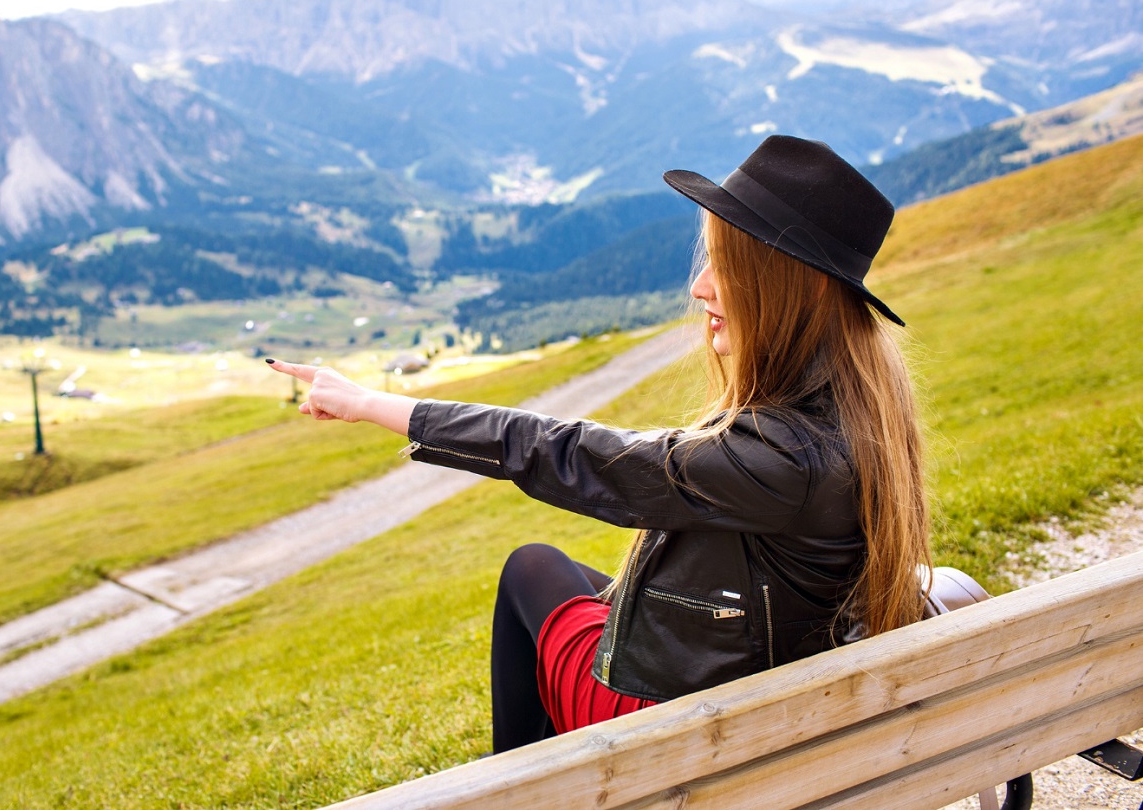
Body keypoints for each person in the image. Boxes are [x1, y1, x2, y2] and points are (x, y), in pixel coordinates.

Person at [267, 134, 932, 754]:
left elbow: (568, 452)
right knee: (591, 589)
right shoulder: (854, 406)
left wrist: (373, 405)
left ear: (793, 288)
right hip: (766, 696)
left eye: (726, 268)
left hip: (693, 733)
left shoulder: (782, 460)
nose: (700, 287)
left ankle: (528, 784)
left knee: (530, 569)